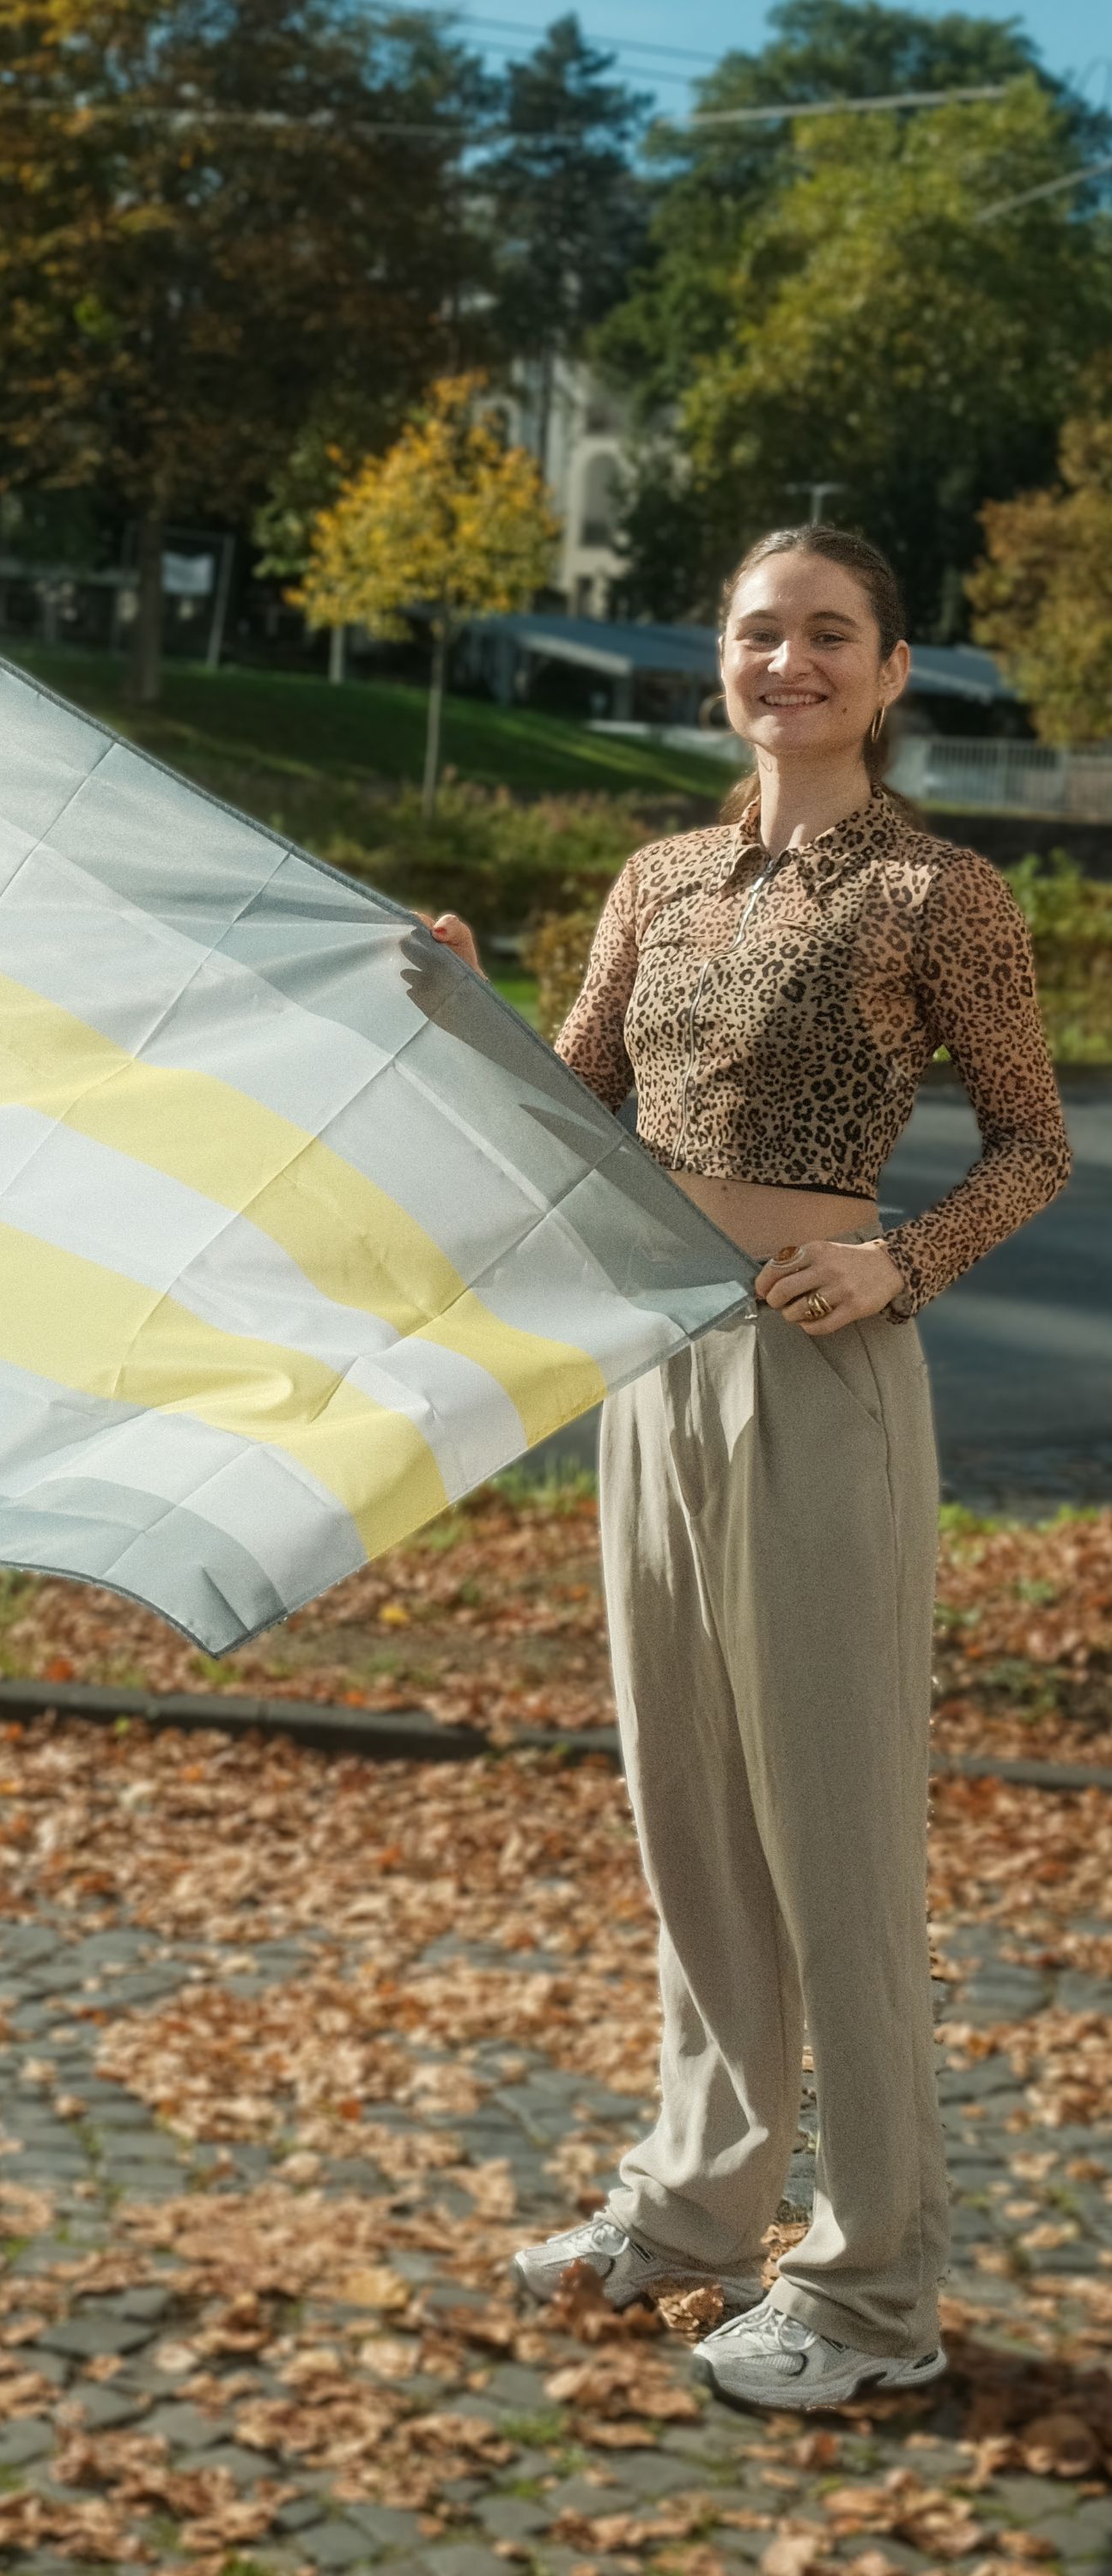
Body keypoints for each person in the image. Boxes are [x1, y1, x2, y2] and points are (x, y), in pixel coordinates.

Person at [429, 526, 1068, 2408]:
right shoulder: (660, 879)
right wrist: (463, 1003)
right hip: (659, 1364)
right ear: (721, 662)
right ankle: (699, 2211)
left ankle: (875, 2295)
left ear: (890, 672)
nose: (788, 662)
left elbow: (1030, 1143)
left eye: (829, 636)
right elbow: (567, 1105)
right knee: (690, 1813)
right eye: (757, 634)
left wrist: (902, 1262)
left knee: (835, 1837)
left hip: (823, 1375)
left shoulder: (942, 893)